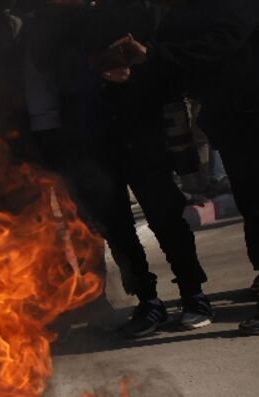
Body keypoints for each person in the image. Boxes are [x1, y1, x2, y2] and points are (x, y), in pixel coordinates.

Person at [100, 1, 259, 334]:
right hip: (237, 113)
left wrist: (153, 56)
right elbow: (177, 42)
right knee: (258, 203)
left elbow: (225, 38)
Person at [27, 1, 211, 339]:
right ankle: (147, 300)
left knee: (165, 215)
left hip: (141, 128)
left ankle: (193, 295)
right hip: (91, 135)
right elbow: (47, 63)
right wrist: (94, 66)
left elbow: (171, 57)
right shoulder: (61, 17)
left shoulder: (139, 7)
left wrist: (141, 61)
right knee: (117, 227)